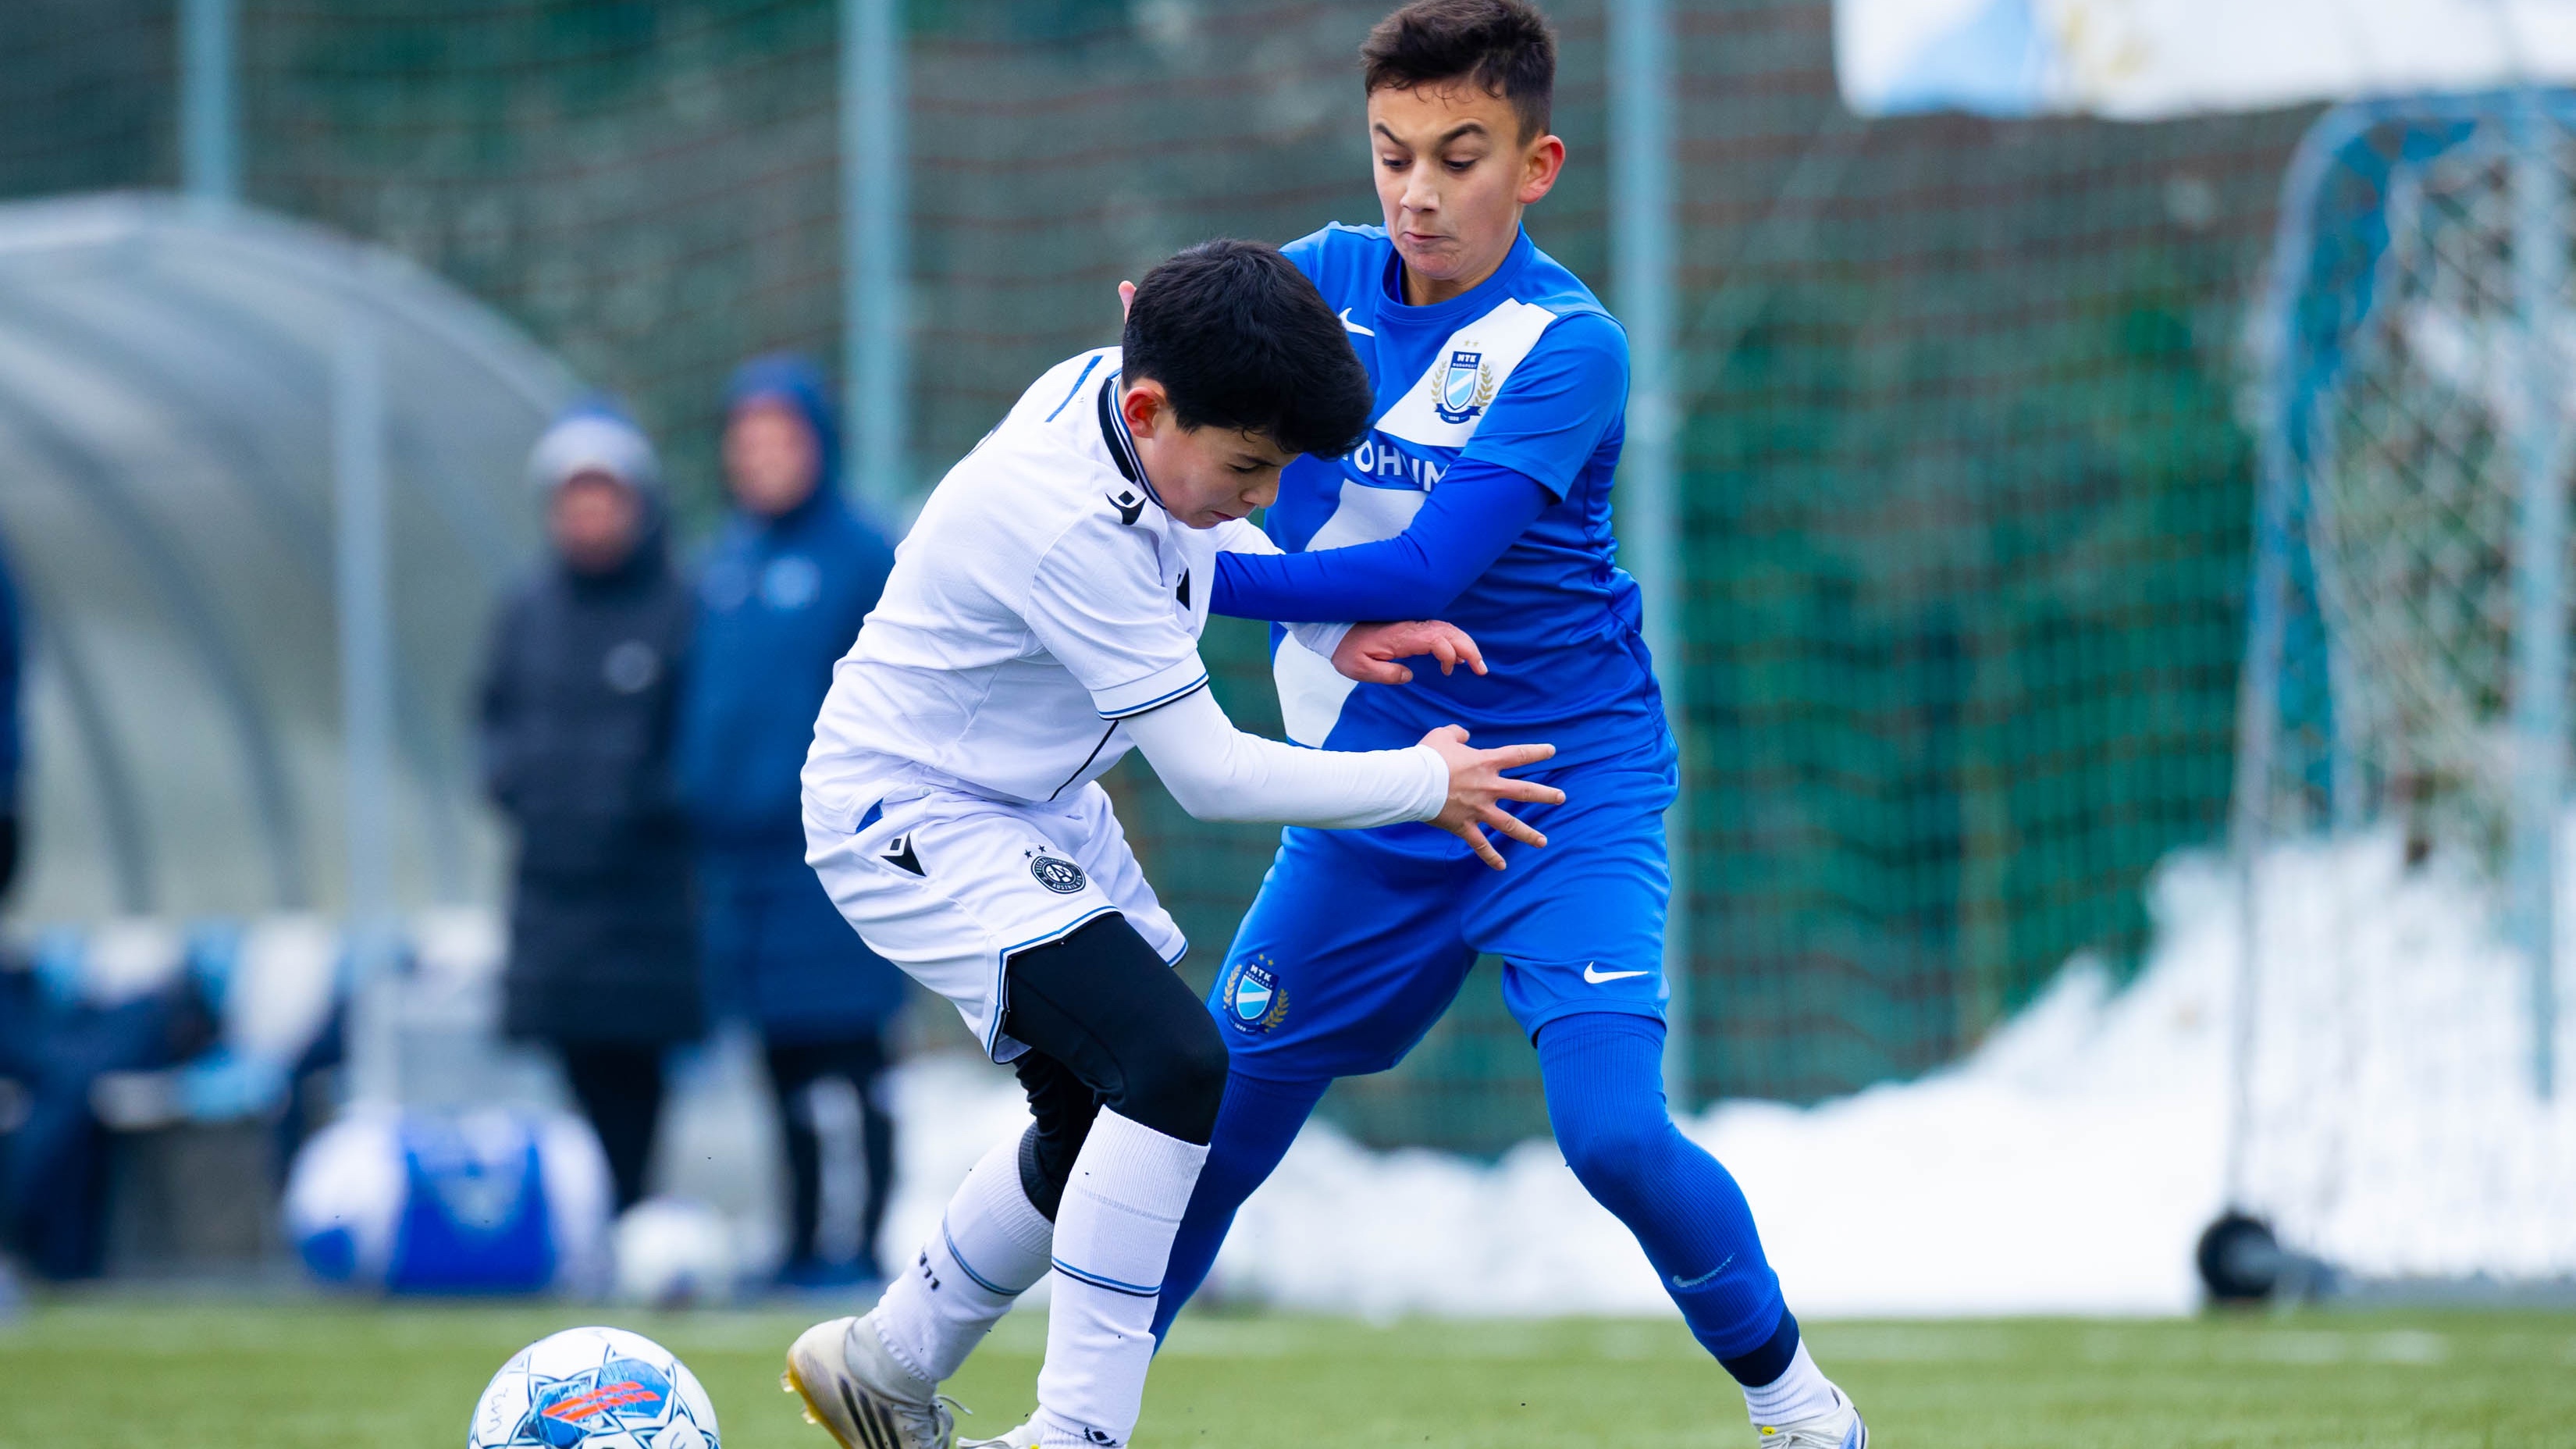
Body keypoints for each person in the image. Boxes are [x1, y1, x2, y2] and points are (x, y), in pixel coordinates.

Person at [1140, 5, 1868, 1446]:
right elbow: (1171, 418)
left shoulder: (1570, 345)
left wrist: (1180, 570)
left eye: (1458, 158)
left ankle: (1802, 1410)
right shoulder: (1320, 281)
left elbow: (1425, 575)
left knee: (1608, 1132)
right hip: (1392, 782)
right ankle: (1076, 1420)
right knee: (1205, 1128)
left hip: (1560, 787)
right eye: (1391, 153)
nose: (1416, 192)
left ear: (1535, 166)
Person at [779, 239, 1560, 1449]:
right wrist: (1424, 782)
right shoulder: (1057, 520)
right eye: (1251, 467)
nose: (1259, 495)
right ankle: (1077, 1432)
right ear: (1151, 409)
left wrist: (1330, 625)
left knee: (1104, 1117)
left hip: (1030, 799)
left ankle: (886, 1365)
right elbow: (1210, 774)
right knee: (1174, 1067)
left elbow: (1200, 536)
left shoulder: (1121, 394)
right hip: (911, 811)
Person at [679, 355, 909, 1288]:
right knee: (777, 1065)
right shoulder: (722, 562)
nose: (761, 458)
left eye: (780, 439)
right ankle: (800, 1238)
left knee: (851, 1062)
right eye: (746, 442)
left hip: (838, 857)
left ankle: (860, 1244)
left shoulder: (861, 555)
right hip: (744, 870)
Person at [478, 404, 700, 1213]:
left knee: (637, 1071)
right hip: (551, 892)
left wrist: (635, 806)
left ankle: (635, 1213)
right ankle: (591, 1222)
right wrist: (518, 788)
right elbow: (491, 719)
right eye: (573, 497)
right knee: (574, 1066)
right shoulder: (526, 609)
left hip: (645, 897)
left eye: (603, 495)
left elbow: (694, 738)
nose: (588, 513)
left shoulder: (678, 605)